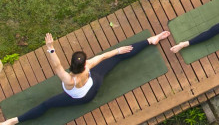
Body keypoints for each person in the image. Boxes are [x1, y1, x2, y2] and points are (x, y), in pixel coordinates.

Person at [0, 30, 171, 124]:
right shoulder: (89, 65)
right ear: (83, 63)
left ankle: (15, 120)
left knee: (47, 105)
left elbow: (56, 65)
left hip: (84, 98)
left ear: (72, 64)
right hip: (95, 81)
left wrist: (50, 48)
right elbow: (105, 56)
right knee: (118, 56)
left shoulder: (68, 79)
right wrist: (118, 50)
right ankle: (151, 40)